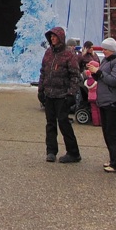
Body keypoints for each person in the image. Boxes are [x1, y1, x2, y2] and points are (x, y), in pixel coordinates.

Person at [38, 26, 81, 163]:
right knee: (50, 124)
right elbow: (43, 72)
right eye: (51, 36)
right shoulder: (48, 53)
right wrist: (40, 90)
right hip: (49, 94)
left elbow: (75, 76)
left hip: (62, 95)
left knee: (64, 123)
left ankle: (73, 153)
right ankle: (51, 151)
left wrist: (71, 94)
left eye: (55, 36)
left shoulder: (69, 54)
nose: (52, 38)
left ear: (61, 38)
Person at [87, 37, 116, 173]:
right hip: (104, 101)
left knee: (114, 134)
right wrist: (95, 73)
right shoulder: (106, 60)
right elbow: (102, 77)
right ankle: (113, 159)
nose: (103, 51)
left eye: (105, 49)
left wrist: (98, 72)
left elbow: (114, 80)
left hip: (114, 102)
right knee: (107, 133)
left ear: (111, 50)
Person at [83, 58, 100, 126]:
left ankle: (95, 122)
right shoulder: (96, 78)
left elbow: (85, 72)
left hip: (90, 97)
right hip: (97, 97)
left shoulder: (88, 78)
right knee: (99, 110)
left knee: (94, 110)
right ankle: (100, 122)